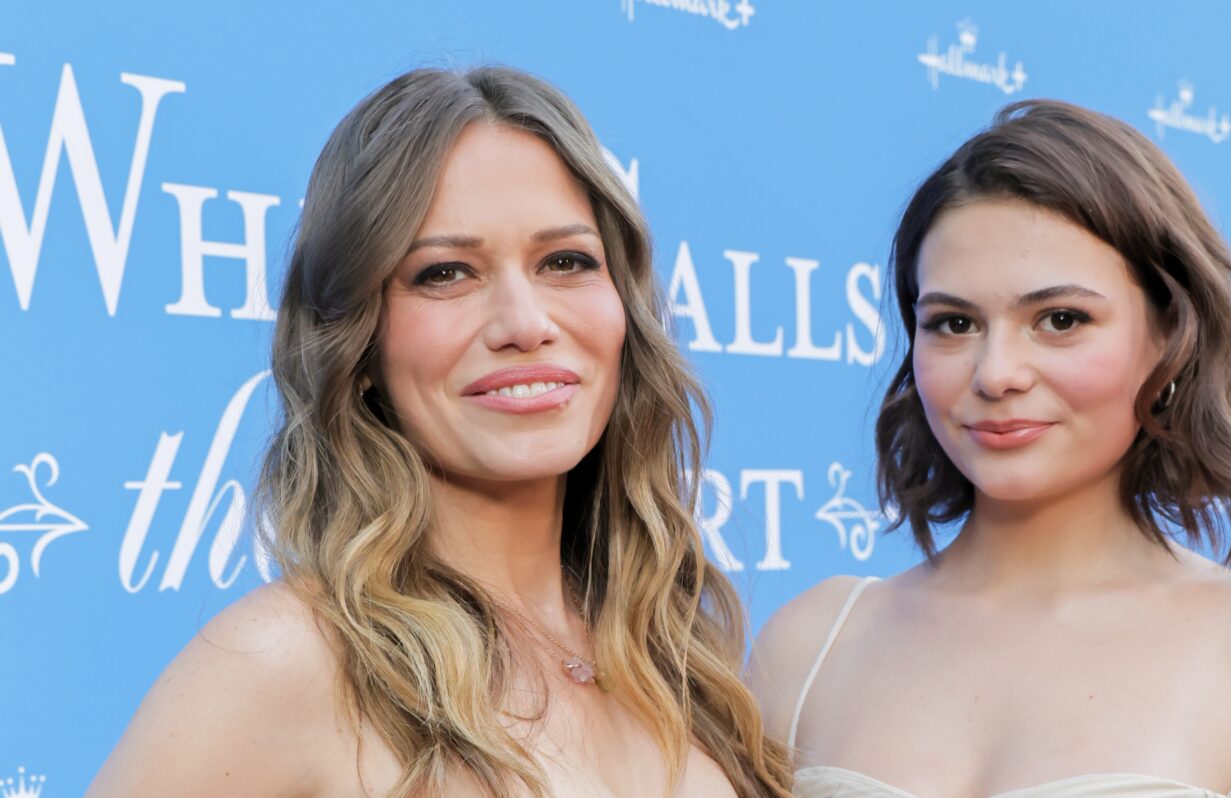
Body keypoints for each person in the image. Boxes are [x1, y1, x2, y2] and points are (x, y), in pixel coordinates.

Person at [91, 66, 792, 798]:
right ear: (357, 345)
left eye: (566, 262)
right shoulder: (288, 662)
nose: (525, 323)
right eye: (445, 273)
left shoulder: (675, 653)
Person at [749, 100, 1231, 798]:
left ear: (1168, 337)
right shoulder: (810, 644)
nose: (996, 373)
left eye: (1060, 319)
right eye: (954, 323)